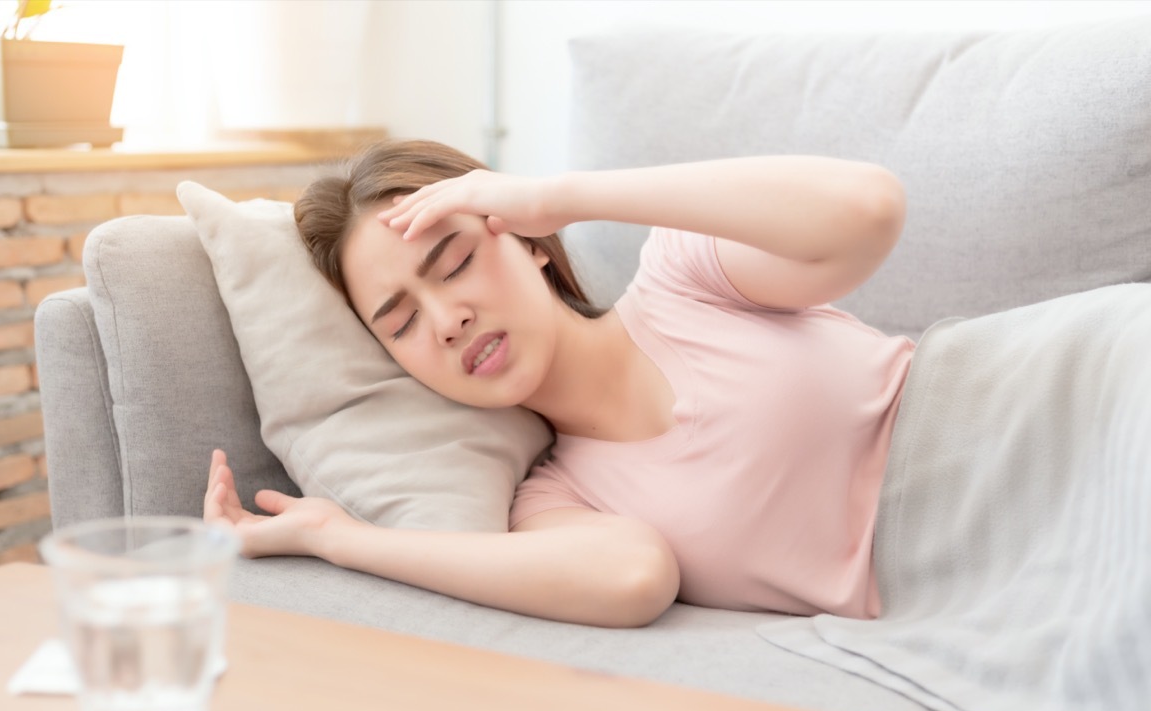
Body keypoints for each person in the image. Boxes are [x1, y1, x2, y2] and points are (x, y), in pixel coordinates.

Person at [204, 139, 910, 628]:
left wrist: (557, 195)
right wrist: (337, 538)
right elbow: (634, 577)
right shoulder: (554, 501)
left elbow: (869, 206)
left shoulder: (688, 277)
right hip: (972, 600)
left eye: (453, 263)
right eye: (401, 323)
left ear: (529, 241)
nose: (447, 321)